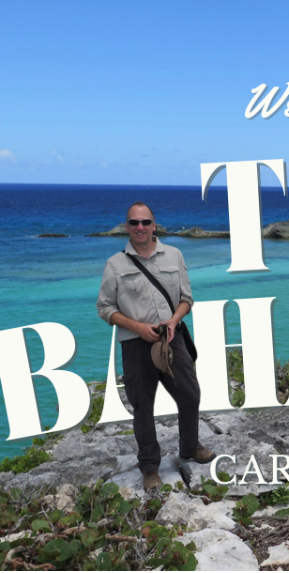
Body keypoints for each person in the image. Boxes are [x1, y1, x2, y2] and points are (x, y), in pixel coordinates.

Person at [96, 202, 215, 490]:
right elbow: (104, 308)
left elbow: (187, 299)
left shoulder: (174, 254)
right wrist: (137, 327)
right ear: (127, 226)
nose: (140, 228)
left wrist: (174, 320)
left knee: (190, 395)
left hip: (172, 339)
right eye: (134, 223)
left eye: (145, 222)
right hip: (136, 345)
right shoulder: (115, 264)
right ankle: (150, 467)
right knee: (143, 406)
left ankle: (189, 447)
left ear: (154, 225)